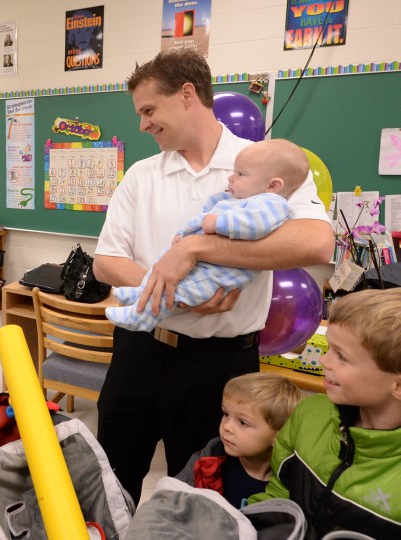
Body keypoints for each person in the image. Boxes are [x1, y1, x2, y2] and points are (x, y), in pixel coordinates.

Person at [93, 48, 334, 504]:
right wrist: (174, 290)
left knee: (204, 494)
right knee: (111, 480)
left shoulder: (263, 164)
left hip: (220, 367)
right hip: (140, 353)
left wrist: (196, 248)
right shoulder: (141, 175)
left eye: (148, 110)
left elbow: (317, 243)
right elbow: (106, 261)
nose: (142, 124)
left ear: (187, 95)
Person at [106, 138, 308, 332]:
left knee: (179, 291)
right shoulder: (143, 171)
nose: (231, 177)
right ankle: (143, 290)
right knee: (163, 265)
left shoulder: (271, 203)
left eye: (240, 174)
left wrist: (205, 234)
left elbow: (256, 225)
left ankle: (141, 315)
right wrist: (184, 235)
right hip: (147, 345)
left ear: (273, 186)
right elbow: (106, 261)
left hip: (217, 277)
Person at [249, 288, 401, 537]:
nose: (324, 361)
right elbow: (278, 492)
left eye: (341, 356)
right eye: (329, 348)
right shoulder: (309, 415)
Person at [175, 372, 302, 508]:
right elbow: (172, 500)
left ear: (279, 436)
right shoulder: (208, 457)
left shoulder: (293, 486)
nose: (227, 426)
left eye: (242, 422)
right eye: (226, 414)